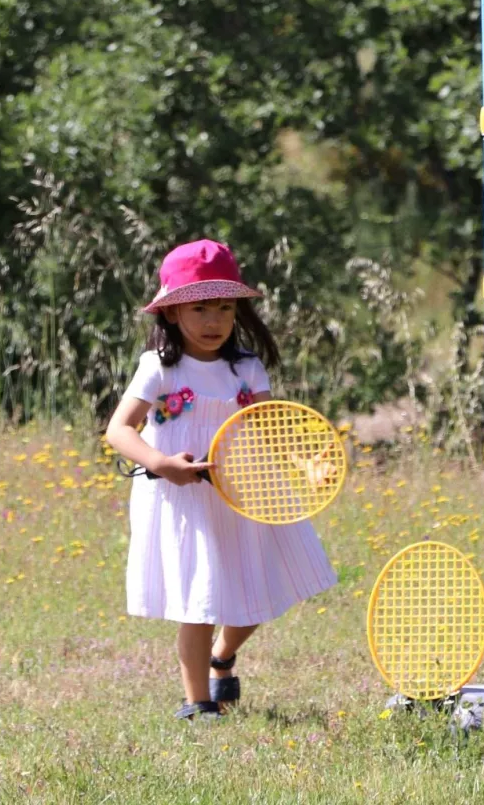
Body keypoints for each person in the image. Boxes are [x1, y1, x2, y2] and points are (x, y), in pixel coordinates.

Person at [105, 239, 337, 721]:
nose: (214, 320)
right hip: (183, 499)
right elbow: (118, 429)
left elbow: (272, 429)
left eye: (225, 307)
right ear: (171, 314)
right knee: (199, 600)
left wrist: (306, 463)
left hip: (247, 493)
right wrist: (162, 462)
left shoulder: (245, 367)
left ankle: (223, 656)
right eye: (200, 307)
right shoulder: (160, 368)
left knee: (257, 591)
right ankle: (198, 701)